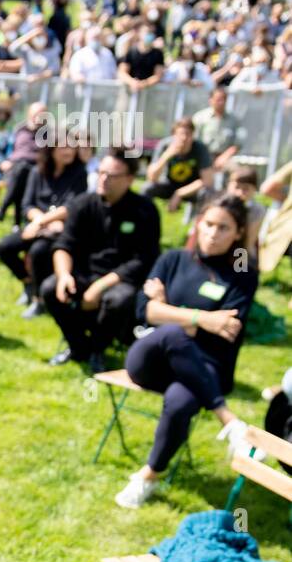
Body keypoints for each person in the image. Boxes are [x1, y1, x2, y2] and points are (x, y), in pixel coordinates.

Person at [113, 196, 261, 508]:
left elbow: (228, 328)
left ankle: (148, 477)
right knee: (173, 333)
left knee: (181, 402)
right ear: (198, 223)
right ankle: (228, 420)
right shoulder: (172, 259)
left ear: (238, 233)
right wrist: (201, 318)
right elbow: (143, 312)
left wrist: (167, 308)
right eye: (208, 224)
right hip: (150, 361)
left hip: (203, 369)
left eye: (224, 228)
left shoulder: (242, 270)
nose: (213, 233)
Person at [41, 149, 161, 372]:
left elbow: (143, 260)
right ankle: (78, 347)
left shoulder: (145, 210)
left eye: (112, 175)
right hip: (83, 275)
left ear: (129, 179)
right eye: (100, 172)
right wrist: (64, 275)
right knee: (50, 288)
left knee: (119, 299)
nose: (103, 179)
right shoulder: (82, 204)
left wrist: (100, 286)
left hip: (121, 280)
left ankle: (98, 350)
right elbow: (63, 246)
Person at [0, 133, 88, 318]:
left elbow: (72, 206)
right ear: (51, 149)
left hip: (61, 230)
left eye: (72, 147)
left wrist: (43, 222)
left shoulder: (79, 173)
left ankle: (39, 300)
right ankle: (28, 283)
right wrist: (39, 222)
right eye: (63, 146)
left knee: (39, 251)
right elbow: (27, 205)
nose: (68, 151)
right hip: (38, 226)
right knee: (5, 247)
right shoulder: (37, 172)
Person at [0, 102, 47, 224]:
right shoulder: (16, 131)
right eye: (36, 114)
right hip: (12, 170)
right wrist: (1, 163)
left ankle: (4, 208)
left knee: (25, 170)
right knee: (21, 170)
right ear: (29, 114)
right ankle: (18, 221)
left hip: (36, 171)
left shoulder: (49, 136)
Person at [143, 118, 213, 211]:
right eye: (180, 134)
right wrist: (166, 156)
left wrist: (179, 193)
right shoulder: (165, 145)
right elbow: (151, 178)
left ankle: (199, 222)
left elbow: (207, 181)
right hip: (168, 184)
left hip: (190, 188)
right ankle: (145, 218)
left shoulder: (200, 148)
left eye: (188, 134)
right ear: (173, 135)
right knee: (147, 188)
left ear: (192, 136)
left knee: (207, 193)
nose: (184, 138)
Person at [191, 87, 242, 173]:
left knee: (238, 172)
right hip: (202, 155)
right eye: (218, 99)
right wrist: (205, 158)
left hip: (225, 157)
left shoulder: (234, 120)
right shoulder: (200, 118)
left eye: (224, 99)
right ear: (210, 100)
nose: (221, 102)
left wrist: (223, 157)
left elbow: (238, 144)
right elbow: (194, 141)